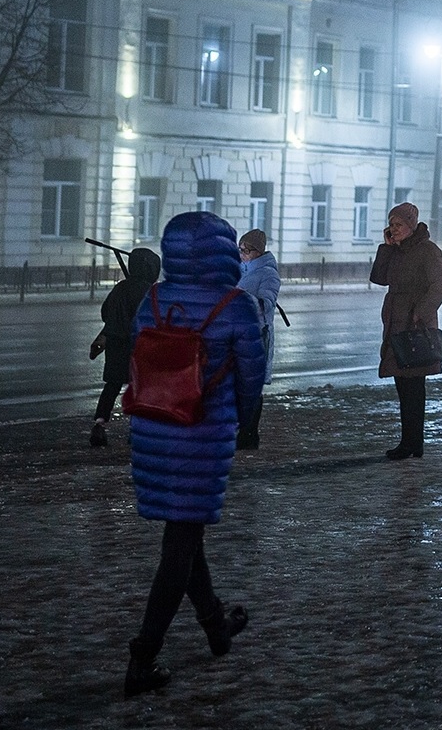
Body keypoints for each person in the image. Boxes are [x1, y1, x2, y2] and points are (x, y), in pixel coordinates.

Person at [122, 211, 266, 699]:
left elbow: (137, 361)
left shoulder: (154, 298)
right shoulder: (236, 305)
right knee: (180, 545)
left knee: (186, 532)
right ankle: (143, 657)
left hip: (153, 428)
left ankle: (216, 627)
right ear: (223, 251)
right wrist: (246, 426)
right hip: (203, 434)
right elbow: (252, 377)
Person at [369, 202, 442, 460]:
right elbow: (379, 278)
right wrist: (386, 248)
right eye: (391, 225)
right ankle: (410, 441)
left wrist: (420, 313)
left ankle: (413, 442)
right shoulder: (397, 250)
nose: (394, 229)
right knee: (403, 386)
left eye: (399, 225)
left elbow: (440, 286)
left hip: (415, 326)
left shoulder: (428, 251)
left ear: (411, 226)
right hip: (395, 323)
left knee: (414, 386)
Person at [88, 246, 161, 447]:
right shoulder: (150, 292)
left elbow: (107, 314)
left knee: (111, 387)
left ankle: (99, 425)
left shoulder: (120, 288)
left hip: (116, 346)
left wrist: (103, 337)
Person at [235, 228, 281, 449]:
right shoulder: (241, 270)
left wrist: (240, 297)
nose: (241, 253)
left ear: (258, 252)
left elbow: (266, 303)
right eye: (240, 249)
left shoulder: (268, 273)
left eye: (246, 250)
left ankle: (249, 434)